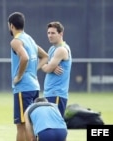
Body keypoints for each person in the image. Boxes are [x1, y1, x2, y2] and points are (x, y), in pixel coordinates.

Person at [7, 12, 48, 141]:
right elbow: (46, 56)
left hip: (23, 88)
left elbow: (24, 57)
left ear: (11, 26)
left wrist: (19, 76)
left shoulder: (16, 41)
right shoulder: (30, 39)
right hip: (34, 86)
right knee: (31, 124)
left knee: (21, 125)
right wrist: (32, 70)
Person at [41, 21, 72, 117]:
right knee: (49, 124)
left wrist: (48, 66)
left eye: (53, 33)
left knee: (56, 125)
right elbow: (45, 65)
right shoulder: (52, 49)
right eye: (48, 33)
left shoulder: (61, 50)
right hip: (49, 93)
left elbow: (47, 68)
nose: (50, 35)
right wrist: (49, 66)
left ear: (61, 34)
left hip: (56, 94)